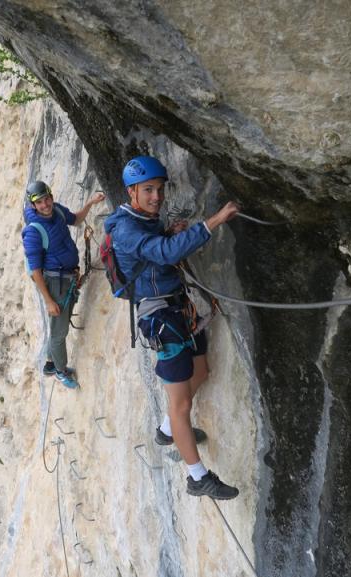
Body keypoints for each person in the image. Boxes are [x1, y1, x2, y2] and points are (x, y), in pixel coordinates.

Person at [103, 155, 241, 499]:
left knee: (202, 371)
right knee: (180, 405)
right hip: (161, 319)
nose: (157, 197)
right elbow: (162, 254)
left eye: (160, 189)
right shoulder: (125, 228)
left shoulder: (143, 220)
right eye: (148, 190)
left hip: (177, 308)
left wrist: (168, 231)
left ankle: (167, 429)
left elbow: (155, 251)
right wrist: (214, 222)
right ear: (132, 190)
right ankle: (197, 477)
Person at [22, 181, 106, 389]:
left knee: (60, 324)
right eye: (39, 202)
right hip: (54, 282)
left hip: (67, 277)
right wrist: (49, 301)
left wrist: (90, 203)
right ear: (33, 206)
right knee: (59, 333)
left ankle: (50, 364)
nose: (45, 204)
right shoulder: (34, 232)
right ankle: (60, 371)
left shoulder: (57, 211)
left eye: (47, 199)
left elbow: (76, 220)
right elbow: (35, 271)